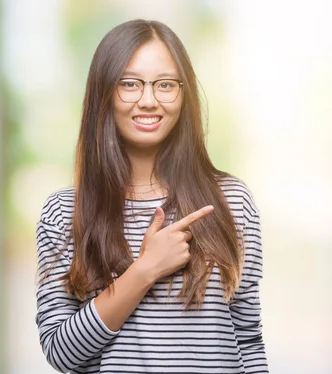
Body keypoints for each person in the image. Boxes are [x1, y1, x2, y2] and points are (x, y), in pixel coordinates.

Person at [35, 19, 268, 373]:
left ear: (184, 93)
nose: (148, 100)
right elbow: (62, 355)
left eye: (165, 85)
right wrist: (144, 269)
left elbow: (248, 340)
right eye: (129, 84)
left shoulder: (231, 201)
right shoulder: (65, 211)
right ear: (104, 92)